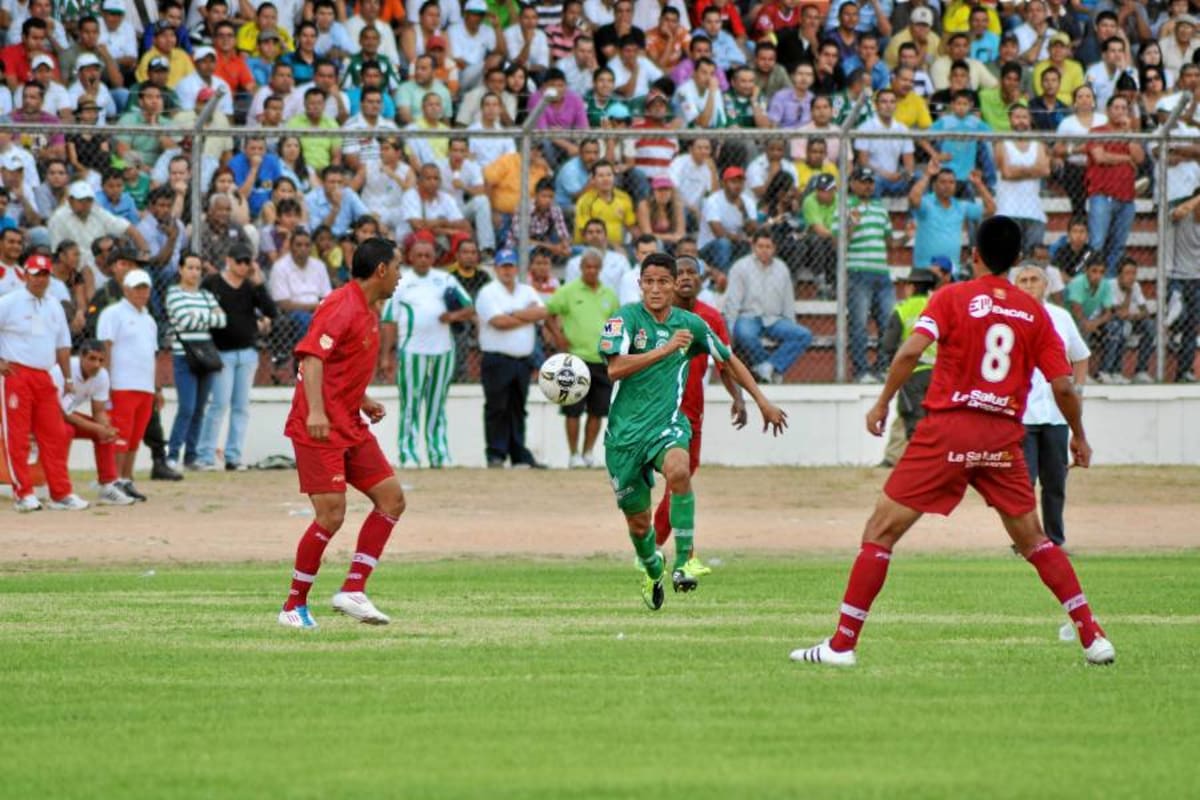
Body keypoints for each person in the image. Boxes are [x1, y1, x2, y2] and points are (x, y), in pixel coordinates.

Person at [790, 215, 1115, 668]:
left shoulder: (951, 297)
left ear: (974, 255)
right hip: (1002, 437)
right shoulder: (1035, 313)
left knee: (880, 533)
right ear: (1016, 260)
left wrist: (882, 403)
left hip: (947, 431)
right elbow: (1063, 386)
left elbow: (910, 351)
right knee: (1035, 540)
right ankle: (1093, 637)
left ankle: (842, 645)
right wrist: (1078, 436)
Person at [599, 252, 787, 608]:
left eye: (663, 282)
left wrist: (762, 401)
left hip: (667, 425)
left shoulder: (692, 325)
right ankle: (653, 567)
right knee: (639, 524)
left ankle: (684, 560)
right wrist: (665, 349)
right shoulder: (623, 319)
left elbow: (728, 360)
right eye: (649, 282)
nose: (656, 289)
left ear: (673, 286)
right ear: (640, 285)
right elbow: (615, 368)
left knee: (679, 471)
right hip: (624, 437)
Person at [277, 237, 407, 630]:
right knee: (331, 514)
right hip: (318, 426)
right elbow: (312, 358)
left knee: (392, 499)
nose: (400, 275)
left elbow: (339, 364)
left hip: (349, 422)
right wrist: (317, 411)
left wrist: (362, 399)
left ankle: (353, 590)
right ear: (381, 270)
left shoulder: (369, 309)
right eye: (397, 267)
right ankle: (293, 606)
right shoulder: (341, 304)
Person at [650, 253, 745, 578]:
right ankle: (669, 551)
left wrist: (738, 398)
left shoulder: (710, 317)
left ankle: (655, 548)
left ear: (702, 280)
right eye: (681, 272)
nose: (687, 277)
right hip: (659, 411)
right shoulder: (656, 316)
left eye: (693, 272)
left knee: (681, 478)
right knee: (676, 479)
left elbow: (725, 362)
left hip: (693, 410)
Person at [0, 254, 89, 512]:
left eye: (44, 275)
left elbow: (63, 344)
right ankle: (23, 493)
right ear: (26, 275)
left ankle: (61, 493)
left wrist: (68, 378)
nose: (40, 279)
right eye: (35, 274)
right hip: (16, 374)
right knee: (18, 436)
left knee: (55, 434)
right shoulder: (9, 302)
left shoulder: (54, 305)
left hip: (44, 375)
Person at [379, 238, 474, 469]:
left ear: (434, 258)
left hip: (443, 351)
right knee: (410, 405)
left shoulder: (445, 279)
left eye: (427, 255)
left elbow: (469, 307)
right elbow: (389, 320)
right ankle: (408, 453)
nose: (423, 259)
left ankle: (439, 453)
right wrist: (386, 355)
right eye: (419, 255)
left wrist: (452, 316)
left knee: (437, 404)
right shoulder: (400, 282)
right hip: (412, 352)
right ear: (410, 257)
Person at [1013, 265, 1089, 550]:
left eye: (1034, 280)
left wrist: (1077, 390)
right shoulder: (1009, 318)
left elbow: (1080, 356)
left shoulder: (1061, 317)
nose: (1029, 285)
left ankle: (1054, 540)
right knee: (1024, 481)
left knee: (1055, 481)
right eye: (1023, 280)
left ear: (1045, 285)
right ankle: (1025, 539)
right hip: (1023, 413)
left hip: (1056, 414)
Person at [196, 244, 279, 471]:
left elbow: (271, 311)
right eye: (239, 261)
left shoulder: (251, 287)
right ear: (229, 260)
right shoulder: (213, 283)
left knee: (241, 407)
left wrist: (260, 283)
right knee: (219, 404)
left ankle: (233, 456)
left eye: (247, 262)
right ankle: (205, 455)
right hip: (222, 352)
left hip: (247, 353)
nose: (243, 266)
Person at [545, 248, 620, 469]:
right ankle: (573, 454)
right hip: (575, 360)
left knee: (597, 410)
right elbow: (549, 313)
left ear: (600, 269)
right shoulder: (568, 291)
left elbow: (615, 324)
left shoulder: (609, 295)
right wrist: (558, 336)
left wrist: (613, 349)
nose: (591, 271)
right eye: (588, 267)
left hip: (601, 360)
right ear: (581, 268)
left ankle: (588, 453)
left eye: (595, 267)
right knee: (573, 410)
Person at [475, 249, 549, 469]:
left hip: (522, 360)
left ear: (516, 268)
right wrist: (526, 316)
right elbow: (498, 322)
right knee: (497, 407)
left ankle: (518, 454)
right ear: (496, 268)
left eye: (510, 266)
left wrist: (512, 314)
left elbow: (542, 313)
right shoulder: (488, 292)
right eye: (503, 266)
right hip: (497, 359)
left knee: (518, 407)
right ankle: (496, 454)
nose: (507, 271)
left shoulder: (527, 290)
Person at [96, 267, 163, 503]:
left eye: (145, 288)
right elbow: (105, 348)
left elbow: (152, 355)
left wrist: (157, 388)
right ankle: (112, 482)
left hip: (144, 387)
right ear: (126, 289)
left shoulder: (150, 320)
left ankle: (125, 479)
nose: (142, 293)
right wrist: (105, 383)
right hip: (121, 385)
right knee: (120, 435)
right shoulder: (113, 313)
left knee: (135, 437)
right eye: (137, 288)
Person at [51, 339, 135, 506]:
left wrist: (106, 428)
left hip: (65, 415)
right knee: (67, 430)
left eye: (101, 360)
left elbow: (99, 411)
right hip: (45, 416)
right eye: (92, 358)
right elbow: (61, 413)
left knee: (104, 434)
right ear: (81, 357)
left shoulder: (102, 375)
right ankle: (60, 489)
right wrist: (98, 427)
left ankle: (107, 486)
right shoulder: (63, 370)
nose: (97, 364)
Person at [724, 231, 813, 384]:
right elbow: (733, 300)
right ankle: (769, 367)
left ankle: (769, 367)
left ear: (774, 248)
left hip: (775, 320)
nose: (764, 250)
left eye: (768, 246)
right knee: (744, 333)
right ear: (753, 247)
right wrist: (730, 327)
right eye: (760, 246)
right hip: (748, 317)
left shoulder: (782, 268)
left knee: (804, 335)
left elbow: (788, 300)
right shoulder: (740, 267)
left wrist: (790, 322)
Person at [165, 252, 226, 472]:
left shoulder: (205, 295)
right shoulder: (174, 294)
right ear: (180, 269)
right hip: (184, 356)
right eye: (190, 268)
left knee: (199, 409)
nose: (194, 272)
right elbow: (184, 320)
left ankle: (191, 457)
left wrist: (196, 317)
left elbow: (222, 320)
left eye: (198, 268)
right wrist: (208, 317)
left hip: (205, 358)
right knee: (187, 408)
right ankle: (172, 454)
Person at [878, 267, 938, 442]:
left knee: (915, 424)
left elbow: (888, 345)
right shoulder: (936, 306)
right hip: (939, 373)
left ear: (911, 287)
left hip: (912, 374)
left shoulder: (902, 309)